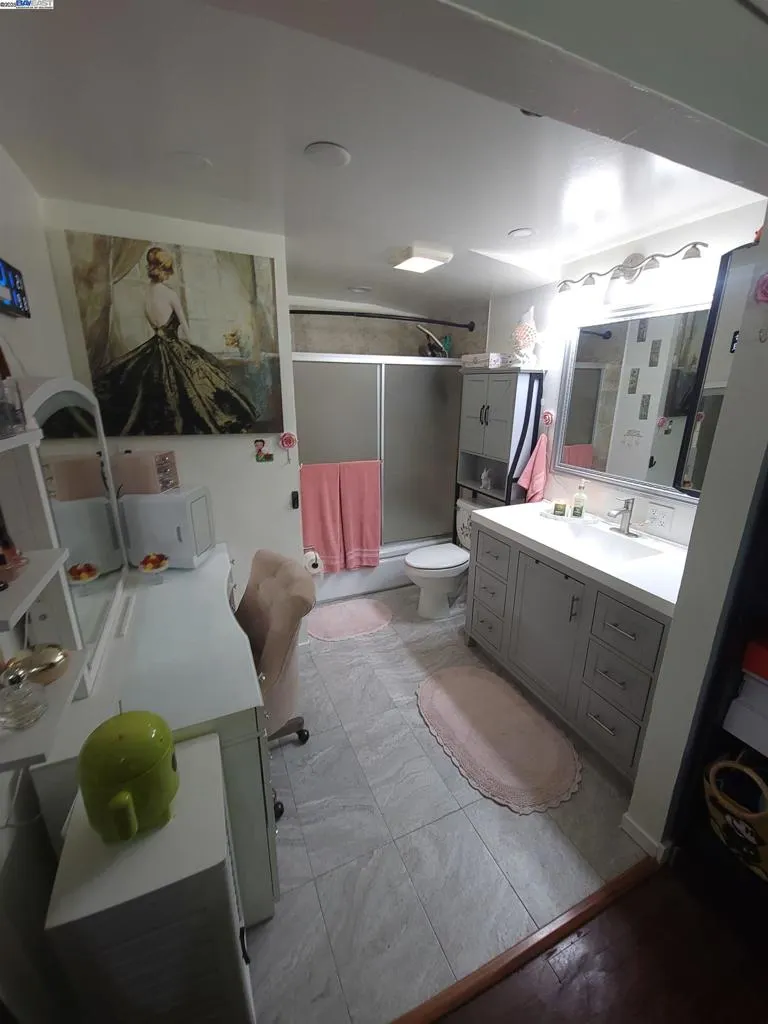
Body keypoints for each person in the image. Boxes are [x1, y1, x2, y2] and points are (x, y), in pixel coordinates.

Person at [94, 246, 261, 434]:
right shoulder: (169, 294)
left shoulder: (146, 294)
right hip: (174, 346)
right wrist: (193, 349)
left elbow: (154, 324)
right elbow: (184, 327)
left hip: (154, 348)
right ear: (165, 270)